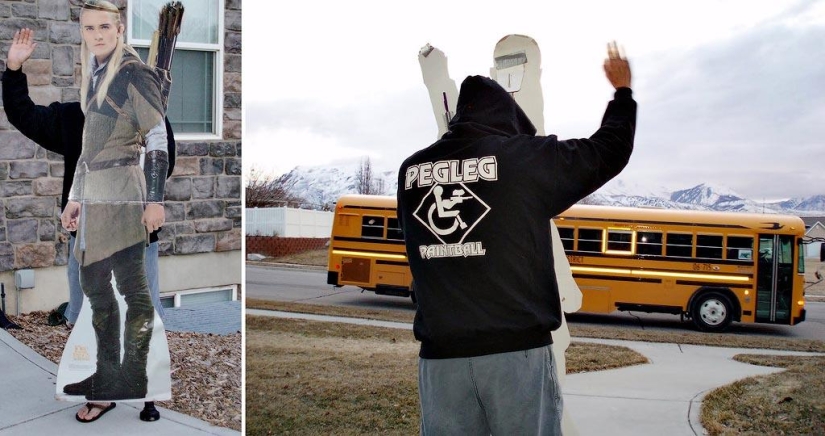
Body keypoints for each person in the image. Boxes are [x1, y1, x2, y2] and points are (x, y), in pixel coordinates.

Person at [396, 43, 635, 434]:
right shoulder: (522, 160)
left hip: (439, 361)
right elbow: (608, 150)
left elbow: (417, 252)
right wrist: (622, 93)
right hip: (515, 355)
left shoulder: (411, 170)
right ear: (507, 118)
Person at [46, 0, 169, 423]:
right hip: (96, 196)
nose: (96, 35)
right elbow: (88, 150)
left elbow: (156, 140)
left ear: (119, 29)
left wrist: (155, 199)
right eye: (88, 28)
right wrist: (76, 197)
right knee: (97, 292)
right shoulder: (94, 75)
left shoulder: (134, 73)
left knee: (134, 292)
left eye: (104, 27)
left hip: (125, 196)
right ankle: (106, 375)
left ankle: (136, 378)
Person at [2, 32, 176, 327]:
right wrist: (14, 70)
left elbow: (163, 163)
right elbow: (25, 116)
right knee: (86, 319)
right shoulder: (73, 117)